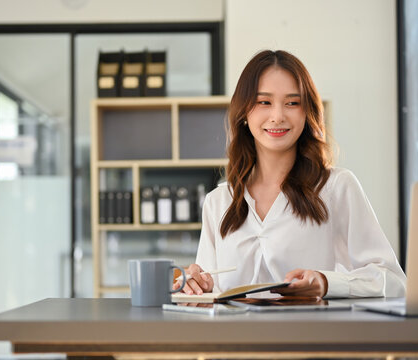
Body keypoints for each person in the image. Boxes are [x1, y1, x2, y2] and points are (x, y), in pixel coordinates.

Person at [173, 50, 406, 298]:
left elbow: (393, 281)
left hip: (309, 336)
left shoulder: (337, 187)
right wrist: (198, 286)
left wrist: (327, 283)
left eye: (292, 103)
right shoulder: (218, 202)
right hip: (236, 337)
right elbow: (211, 293)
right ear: (244, 112)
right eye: (264, 102)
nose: (277, 116)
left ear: (307, 113)